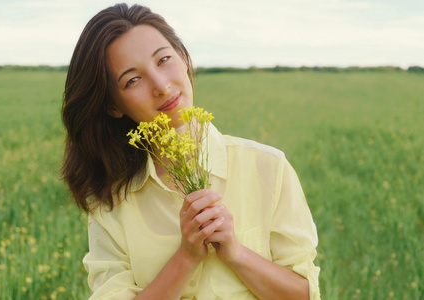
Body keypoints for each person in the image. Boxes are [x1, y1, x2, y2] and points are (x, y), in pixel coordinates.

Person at [61, 3, 320, 300]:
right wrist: (185, 257)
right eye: (133, 80)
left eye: (164, 60)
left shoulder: (268, 166)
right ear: (112, 105)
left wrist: (236, 253)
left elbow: (304, 294)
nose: (161, 86)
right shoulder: (110, 201)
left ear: (184, 58)